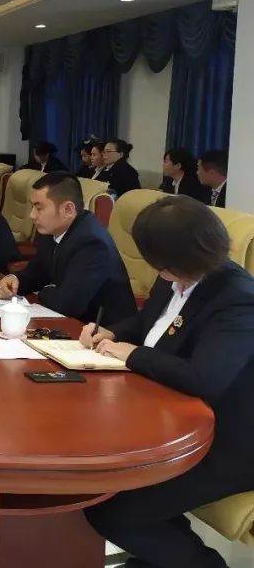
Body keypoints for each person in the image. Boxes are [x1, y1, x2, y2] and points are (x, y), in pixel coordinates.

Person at [80, 195, 254, 568]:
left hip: (228, 442)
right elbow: (150, 325)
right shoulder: (176, 279)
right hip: (169, 419)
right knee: (105, 485)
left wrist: (132, 354)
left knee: (112, 508)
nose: (156, 270)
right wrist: (111, 333)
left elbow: (203, 378)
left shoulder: (238, 300)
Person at [0, 172, 135, 325]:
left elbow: (68, 304)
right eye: (32, 206)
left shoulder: (92, 242)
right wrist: (15, 281)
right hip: (70, 323)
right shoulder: (52, 229)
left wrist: (44, 290)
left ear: (68, 209)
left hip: (103, 332)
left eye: (39, 208)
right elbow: (38, 273)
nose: (32, 215)